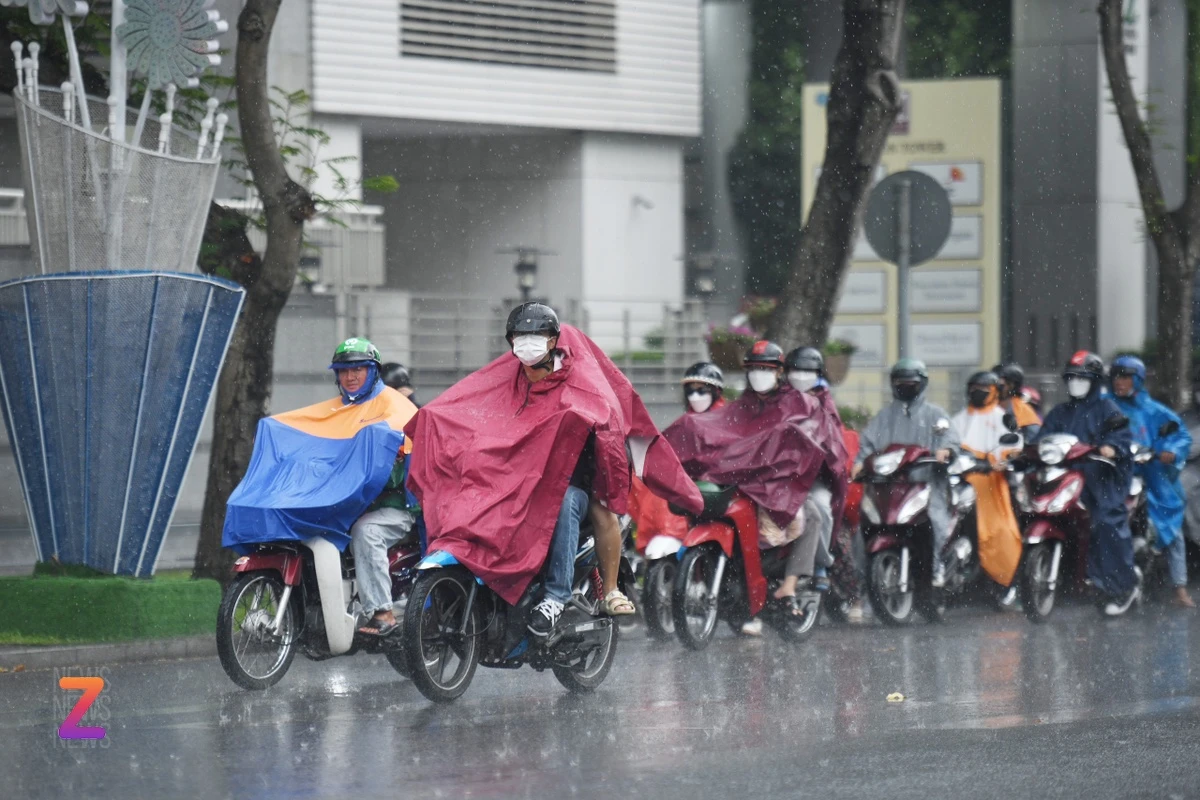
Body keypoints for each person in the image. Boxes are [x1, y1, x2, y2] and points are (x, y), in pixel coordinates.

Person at [505, 303, 637, 635]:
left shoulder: (579, 383)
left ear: (552, 342)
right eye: (520, 336)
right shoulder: (506, 385)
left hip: (573, 482)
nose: (527, 343)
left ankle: (558, 597)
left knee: (565, 502)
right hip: (521, 483)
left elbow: (608, 423)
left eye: (535, 336)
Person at [306, 338, 419, 637]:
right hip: (348, 506)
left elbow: (406, 468)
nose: (350, 376)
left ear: (373, 373)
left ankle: (383, 612)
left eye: (358, 369)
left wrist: (387, 463)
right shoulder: (334, 413)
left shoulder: (396, 408)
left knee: (366, 531)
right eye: (343, 371)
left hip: (395, 508)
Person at [1038, 351, 1140, 616]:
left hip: (1101, 480)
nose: (1075, 383)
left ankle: (1121, 587)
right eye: (1071, 378)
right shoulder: (1059, 412)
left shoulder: (1108, 409)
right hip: (1066, 480)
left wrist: (1110, 448)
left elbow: (1121, 438)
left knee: (1106, 522)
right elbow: (1042, 438)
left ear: (1094, 381)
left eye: (1081, 378)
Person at [853, 358, 961, 587]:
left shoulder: (936, 415)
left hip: (927, 486)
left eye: (911, 382)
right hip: (889, 488)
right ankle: (863, 584)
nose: (906, 386)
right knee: (863, 527)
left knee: (936, 522)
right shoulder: (883, 417)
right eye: (901, 382)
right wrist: (860, 463)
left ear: (922, 384)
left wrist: (946, 451)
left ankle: (936, 566)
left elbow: (950, 440)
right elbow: (867, 446)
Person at [1110, 355, 1195, 609]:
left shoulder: (1155, 411)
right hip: (1113, 477)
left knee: (1173, 529)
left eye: (1125, 376)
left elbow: (1180, 436)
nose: (1120, 382)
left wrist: (1170, 451)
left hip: (1152, 479)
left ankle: (1179, 587)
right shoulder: (1104, 407)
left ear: (1137, 380)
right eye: (1116, 376)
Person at [950, 371, 1023, 594]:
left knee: (1000, 531)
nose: (978, 391)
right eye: (973, 387)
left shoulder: (1002, 418)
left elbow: (1013, 446)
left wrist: (1000, 460)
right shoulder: (957, 419)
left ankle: (1004, 582)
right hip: (960, 483)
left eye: (984, 387)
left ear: (994, 391)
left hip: (991, 485)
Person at [992, 362, 1041, 438]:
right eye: (993, 384)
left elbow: (1033, 439)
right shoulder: (985, 404)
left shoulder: (1023, 409)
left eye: (1001, 385)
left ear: (1012, 386)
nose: (996, 388)